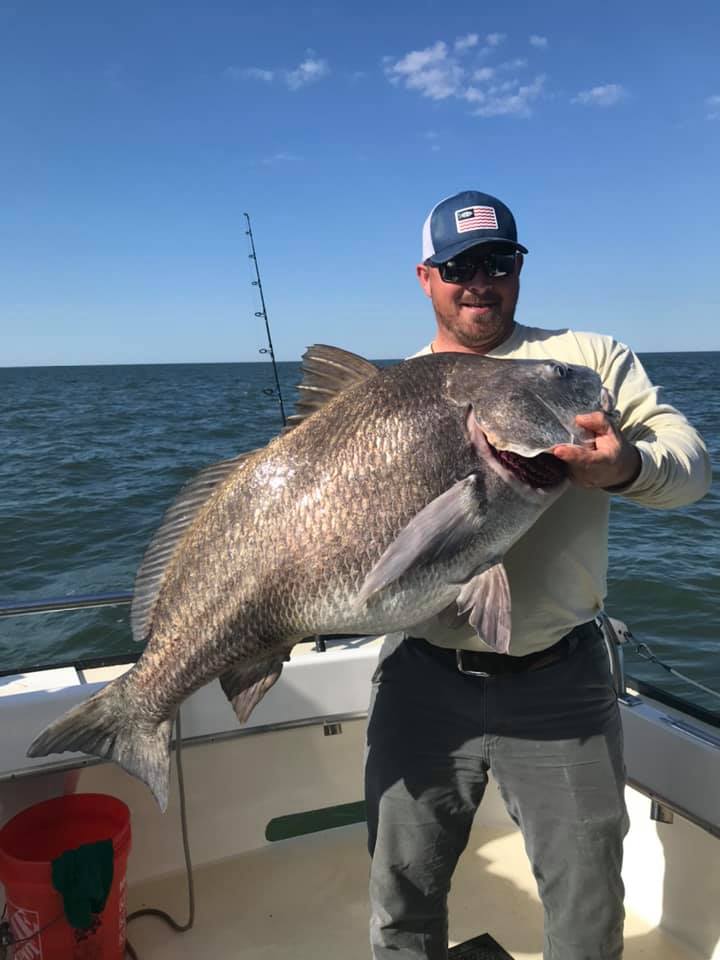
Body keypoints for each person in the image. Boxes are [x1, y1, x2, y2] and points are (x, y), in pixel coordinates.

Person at [364, 190, 711, 960]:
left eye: (498, 261)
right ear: (425, 277)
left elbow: (690, 468)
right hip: (421, 678)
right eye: (458, 266)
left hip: (561, 684)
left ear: (519, 269)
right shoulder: (388, 396)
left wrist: (627, 467)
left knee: (588, 915)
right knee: (401, 903)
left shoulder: (586, 364)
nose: (478, 281)